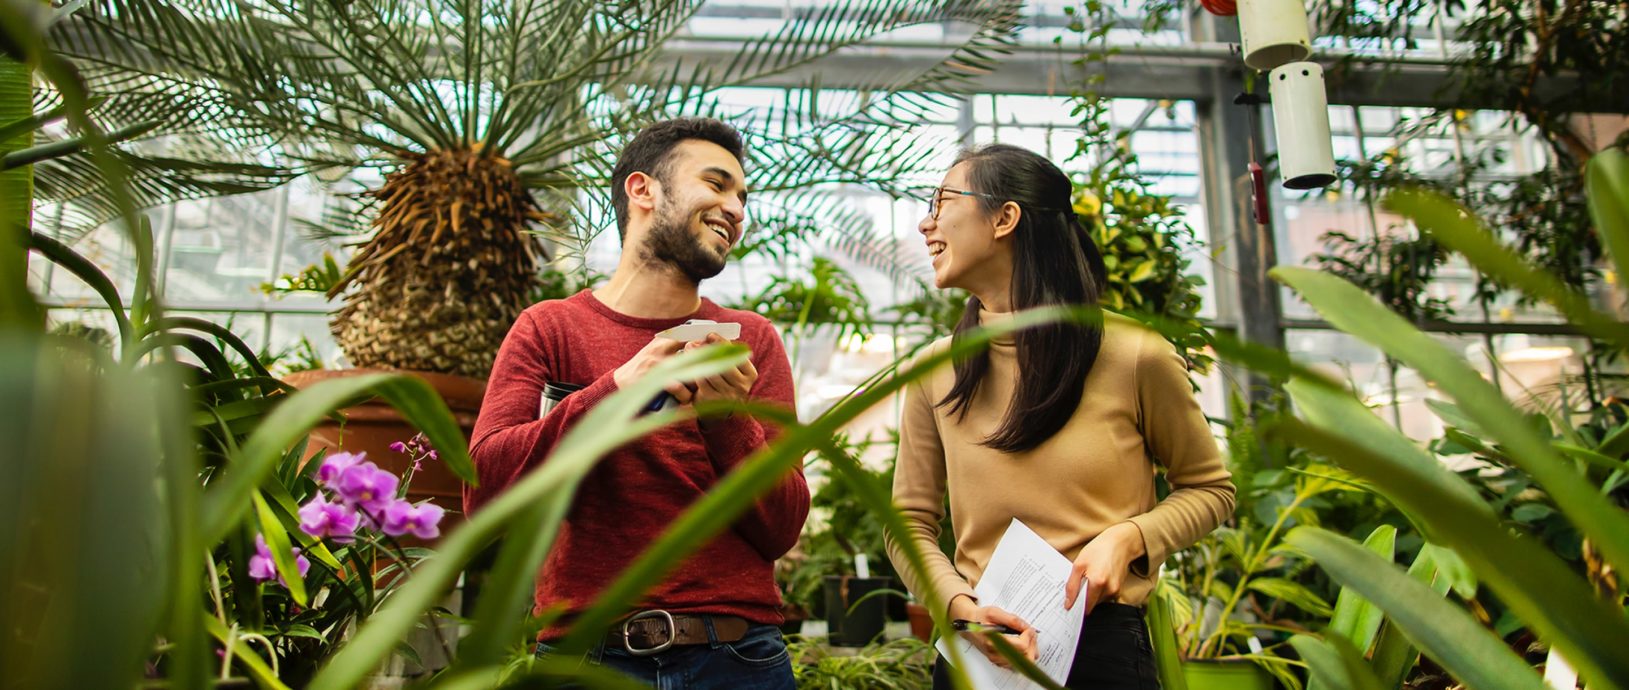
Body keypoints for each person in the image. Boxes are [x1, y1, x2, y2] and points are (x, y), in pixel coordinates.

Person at [464, 117, 810, 689]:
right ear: (642, 190)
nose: (737, 209)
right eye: (717, 184)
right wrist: (616, 392)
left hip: (737, 658)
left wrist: (728, 423)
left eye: (743, 197)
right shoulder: (548, 329)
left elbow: (782, 528)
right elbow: (484, 491)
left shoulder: (752, 339)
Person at [884, 144, 1236, 690]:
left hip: (1102, 650)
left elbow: (1211, 490)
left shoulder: (1133, 353)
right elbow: (907, 522)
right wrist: (958, 607)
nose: (926, 224)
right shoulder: (935, 368)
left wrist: (1130, 538)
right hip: (978, 649)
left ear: (1005, 217)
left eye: (942, 201)